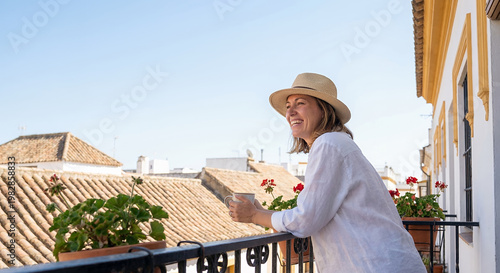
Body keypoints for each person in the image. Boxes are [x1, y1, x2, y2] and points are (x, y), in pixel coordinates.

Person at [228, 73, 426, 272]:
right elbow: (315, 211)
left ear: (323, 110)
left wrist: (254, 215)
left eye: (300, 103)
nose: (291, 113)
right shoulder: (336, 143)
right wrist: (263, 213)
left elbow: (305, 220)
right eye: (288, 107)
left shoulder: (328, 144)